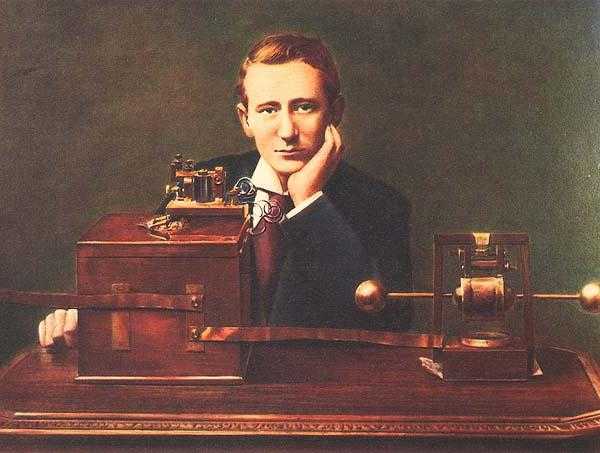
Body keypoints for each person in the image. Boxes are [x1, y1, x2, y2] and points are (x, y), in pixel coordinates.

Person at [38, 32, 412, 348]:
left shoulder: (381, 205)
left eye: (303, 107)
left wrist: (309, 201)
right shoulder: (195, 187)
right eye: (268, 110)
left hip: (320, 396)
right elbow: (149, 296)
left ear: (335, 113)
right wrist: (86, 321)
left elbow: (389, 326)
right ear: (245, 119)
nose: (287, 131)